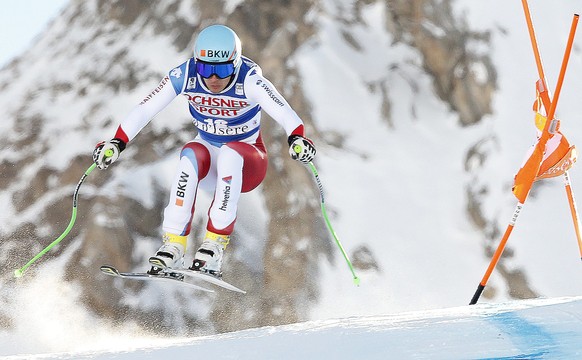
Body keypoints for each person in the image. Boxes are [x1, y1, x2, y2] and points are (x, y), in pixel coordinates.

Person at [92, 24, 316, 278]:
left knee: (231, 152)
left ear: (235, 63)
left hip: (247, 163)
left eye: (221, 69)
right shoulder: (184, 75)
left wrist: (297, 138)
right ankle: (174, 245)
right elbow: (146, 109)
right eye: (205, 68)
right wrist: (117, 142)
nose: (212, 78)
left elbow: (285, 113)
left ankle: (214, 246)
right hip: (210, 164)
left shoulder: (250, 80)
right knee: (190, 153)